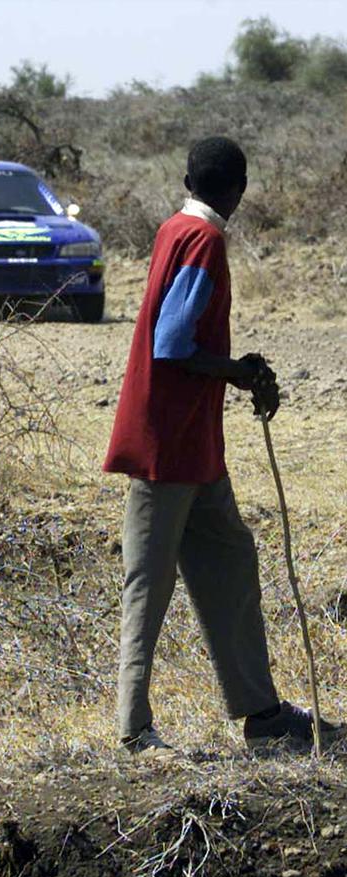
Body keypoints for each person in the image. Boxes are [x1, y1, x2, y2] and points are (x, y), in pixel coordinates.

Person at [103, 137, 338, 755]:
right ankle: (133, 728)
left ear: (188, 179)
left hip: (194, 446)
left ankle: (261, 713)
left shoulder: (173, 227)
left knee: (231, 561)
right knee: (147, 583)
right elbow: (173, 343)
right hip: (167, 446)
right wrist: (238, 372)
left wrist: (235, 369)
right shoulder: (205, 239)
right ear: (238, 190)